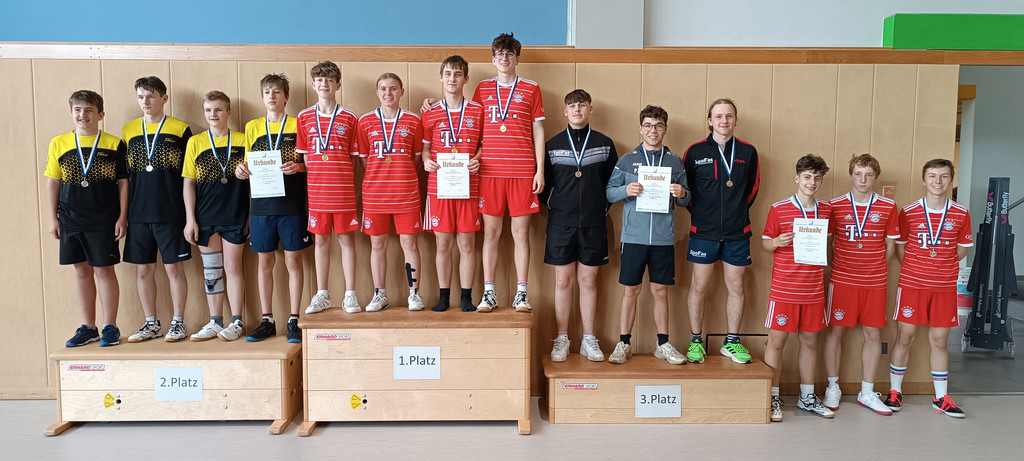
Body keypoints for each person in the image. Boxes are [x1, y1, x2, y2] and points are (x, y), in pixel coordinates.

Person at [885, 159, 972, 418]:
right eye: (932, 176)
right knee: (905, 337)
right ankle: (894, 392)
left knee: (939, 341)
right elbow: (900, 247)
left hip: (944, 287)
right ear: (924, 180)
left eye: (944, 176)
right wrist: (917, 268)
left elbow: (962, 248)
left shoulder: (961, 213)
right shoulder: (909, 211)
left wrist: (941, 266)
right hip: (913, 285)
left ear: (951, 179)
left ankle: (941, 398)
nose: (938, 181)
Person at [605, 105, 690, 365]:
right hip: (633, 237)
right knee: (631, 290)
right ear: (641, 129)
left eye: (658, 125)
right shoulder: (627, 160)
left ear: (666, 129)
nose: (653, 131)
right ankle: (624, 343)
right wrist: (625, 190)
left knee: (660, 291)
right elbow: (609, 192)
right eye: (648, 125)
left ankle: (662, 344)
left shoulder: (674, 161)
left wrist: (681, 193)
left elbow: (686, 198)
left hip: (663, 238)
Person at [46, 90, 129, 347]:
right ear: (71, 113)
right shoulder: (59, 143)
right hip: (70, 218)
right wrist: (52, 218)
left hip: (104, 218)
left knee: (104, 270)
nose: (83, 115)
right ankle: (89, 327)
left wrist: (122, 217)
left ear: (101, 114)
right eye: (78, 110)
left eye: (89, 110)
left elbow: (123, 183)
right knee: (81, 270)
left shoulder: (114, 144)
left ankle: (110, 326)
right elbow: (53, 181)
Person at [471, 33, 546, 312]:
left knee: (521, 234)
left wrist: (540, 170)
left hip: (522, 172)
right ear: (493, 59)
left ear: (517, 59)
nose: (504, 58)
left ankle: (522, 293)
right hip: (489, 172)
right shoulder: (482, 88)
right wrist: (431, 102)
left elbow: (538, 131)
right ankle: (489, 292)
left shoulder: (531, 88)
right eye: (500, 54)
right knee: (490, 234)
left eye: (509, 54)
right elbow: (469, 122)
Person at [682, 98, 760, 365]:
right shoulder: (694, 152)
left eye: (729, 116)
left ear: (735, 120)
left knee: (736, 286)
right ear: (709, 121)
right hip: (703, 231)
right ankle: (695, 340)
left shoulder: (748, 152)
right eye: (718, 116)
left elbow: (752, 190)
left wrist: (735, 213)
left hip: (737, 232)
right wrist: (703, 215)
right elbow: (687, 192)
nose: (723, 121)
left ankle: (732, 342)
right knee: (699, 286)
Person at [542, 89, 618, 362]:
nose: (577, 110)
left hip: (594, 224)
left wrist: (600, 208)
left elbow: (612, 185)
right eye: (572, 106)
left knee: (588, 281)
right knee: (563, 281)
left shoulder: (605, 144)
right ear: (565, 111)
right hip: (560, 223)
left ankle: (588, 338)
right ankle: (562, 338)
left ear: (590, 109)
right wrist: (558, 205)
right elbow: (542, 186)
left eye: (582, 105)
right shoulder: (551, 145)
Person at [821, 154, 900, 415]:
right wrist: (839, 266)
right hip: (842, 280)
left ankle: (867, 391)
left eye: (868, 174)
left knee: (873, 334)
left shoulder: (888, 206)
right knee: (835, 332)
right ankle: (833, 387)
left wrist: (873, 269)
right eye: (858, 174)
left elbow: (890, 247)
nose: (863, 179)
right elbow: (829, 243)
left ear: (876, 177)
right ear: (851, 175)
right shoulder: (835, 205)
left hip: (874, 282)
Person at [235, 74, 310, 343]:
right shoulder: (253, 127)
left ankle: (294, 320)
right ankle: (267, 320)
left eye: (277, 92)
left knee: (292, 261)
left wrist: (298, 167)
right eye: (267, 92)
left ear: (286, 97)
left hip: (291, 204)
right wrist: (241, 169)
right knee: (264, 262)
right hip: (261, 205)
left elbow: (309, 163)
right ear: (262, 96)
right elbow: (247, 163)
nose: (272, 96)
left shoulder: (299, 124)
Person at [761, 154, 834, 421]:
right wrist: (777, 242)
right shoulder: (779, 208)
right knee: (777, 342)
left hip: (813, 289)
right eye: (807, 177)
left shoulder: (826, 210)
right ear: (797, 178)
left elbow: (828, 245)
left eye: (817, 178)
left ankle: (807, 397)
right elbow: (765, 243)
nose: (812, 182)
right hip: (784, 289)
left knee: (810, 342)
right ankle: (772, 397)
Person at [121, 77, 193, 343]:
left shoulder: (180, 129)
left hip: (171, 212)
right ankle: (151, 323)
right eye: (141, 97)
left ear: (164, 98)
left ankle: (178, 322)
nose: (146, 102)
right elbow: (124, 177)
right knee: (144, 271)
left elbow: (188, 175)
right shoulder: (128, 130)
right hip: (138, 213)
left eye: (151, 96)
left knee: (174, 270)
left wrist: (189, 216)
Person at [183, 91, 249, 342]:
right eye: (209, 110)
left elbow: (253, 181)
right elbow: (188, 183)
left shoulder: (243, 139)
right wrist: (190, 219)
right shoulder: (195, 142)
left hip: (235, 214)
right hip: (205, 216)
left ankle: (237, 321)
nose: (213, 114)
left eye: (219, 109)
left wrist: (251, 215)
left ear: (228, 112)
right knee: (212, 271)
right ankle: (215, 321)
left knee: (233, 267)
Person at [297, 61, 362, 315]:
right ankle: (322, 294)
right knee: (321, 241)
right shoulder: (304, 117)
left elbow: (353, 159)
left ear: (338, 85)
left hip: (343, 192)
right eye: (320, 80)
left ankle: (350, 294)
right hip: (317, 192)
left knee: (346, 241)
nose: (324, 84)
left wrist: (343, 179)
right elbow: (305, 157)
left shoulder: (350, 117)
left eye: (330, 80)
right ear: (314, 85)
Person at [356, 73, 425, 311]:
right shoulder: (365, 121)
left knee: (410, 244)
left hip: (406, 194)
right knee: (378, 245)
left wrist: (400, 175)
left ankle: (414, 294)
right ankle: (379, 294)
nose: (388, 93)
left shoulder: (413, 121)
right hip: (375, 195)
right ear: (377, 92)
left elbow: (417, 159)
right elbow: (364, 160)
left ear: (401, 92)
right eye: (383, 89)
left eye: (393, 88)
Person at [421, 56, 484, 312]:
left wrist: (478, 159)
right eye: (447, 73)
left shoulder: (477, 111)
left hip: (468, 186)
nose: (452, 78)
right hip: (439, 187)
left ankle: (466, 297)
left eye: (457, 74)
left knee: (467, 244)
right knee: (443, 244)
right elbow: (425, 148)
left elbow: (484, 145)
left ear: (466, 79)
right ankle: (444, 297)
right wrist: (426, 161)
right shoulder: (430, 111)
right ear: (441, 77)